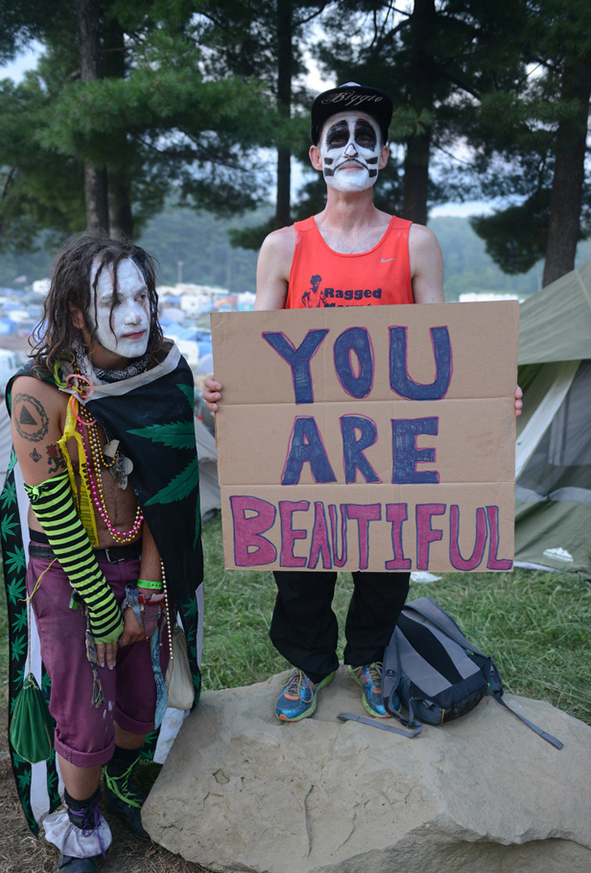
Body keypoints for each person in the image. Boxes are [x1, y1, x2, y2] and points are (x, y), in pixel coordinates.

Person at [204, 81, 522, 724]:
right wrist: (226, 385)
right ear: (317, 156)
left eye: (366, 136)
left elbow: (443, 347)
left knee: (386, 558)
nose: (353, 146)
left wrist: (484, 396)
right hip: (306, 447)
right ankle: (309, 663)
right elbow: (261, 349)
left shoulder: (416, 243)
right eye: (338, 135)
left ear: (382, 156)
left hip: (390, 445)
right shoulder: (284, 246)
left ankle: (371, 656)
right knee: (300, 564)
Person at [0, 235, 203, 873]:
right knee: (83, 721)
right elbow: (51, 511)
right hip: (67, 574)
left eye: (141, 294)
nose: (135, 311)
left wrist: (149, 585)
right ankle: (80, 824)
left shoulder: (165, 378)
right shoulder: (39, 393)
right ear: (78, 312)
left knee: (138, 713)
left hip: (141, 566)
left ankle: (108, 785)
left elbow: (169, 497)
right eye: (113, 299)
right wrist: (101, 605)